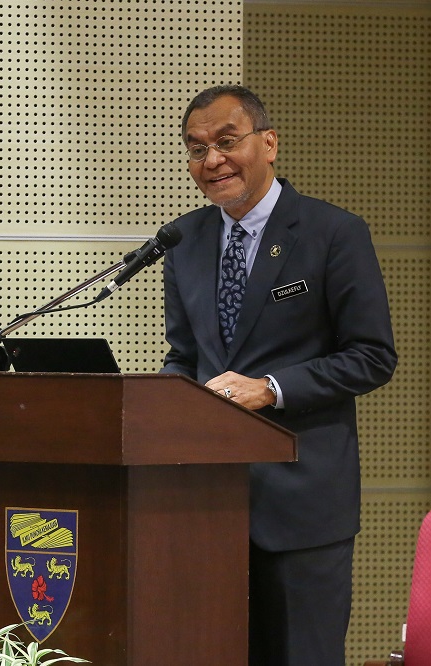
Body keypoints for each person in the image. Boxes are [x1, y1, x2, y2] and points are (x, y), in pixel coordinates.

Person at [160, 84, 397, 666]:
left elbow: (372, 355)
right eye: (195, 149)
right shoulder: (183, 240)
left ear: (268, 143)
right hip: (207, 507)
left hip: (303, 503)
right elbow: (185, 358)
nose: (211, 160)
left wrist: (270, 389)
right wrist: (162, 402)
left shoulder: (333, 233)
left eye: (225, 141)